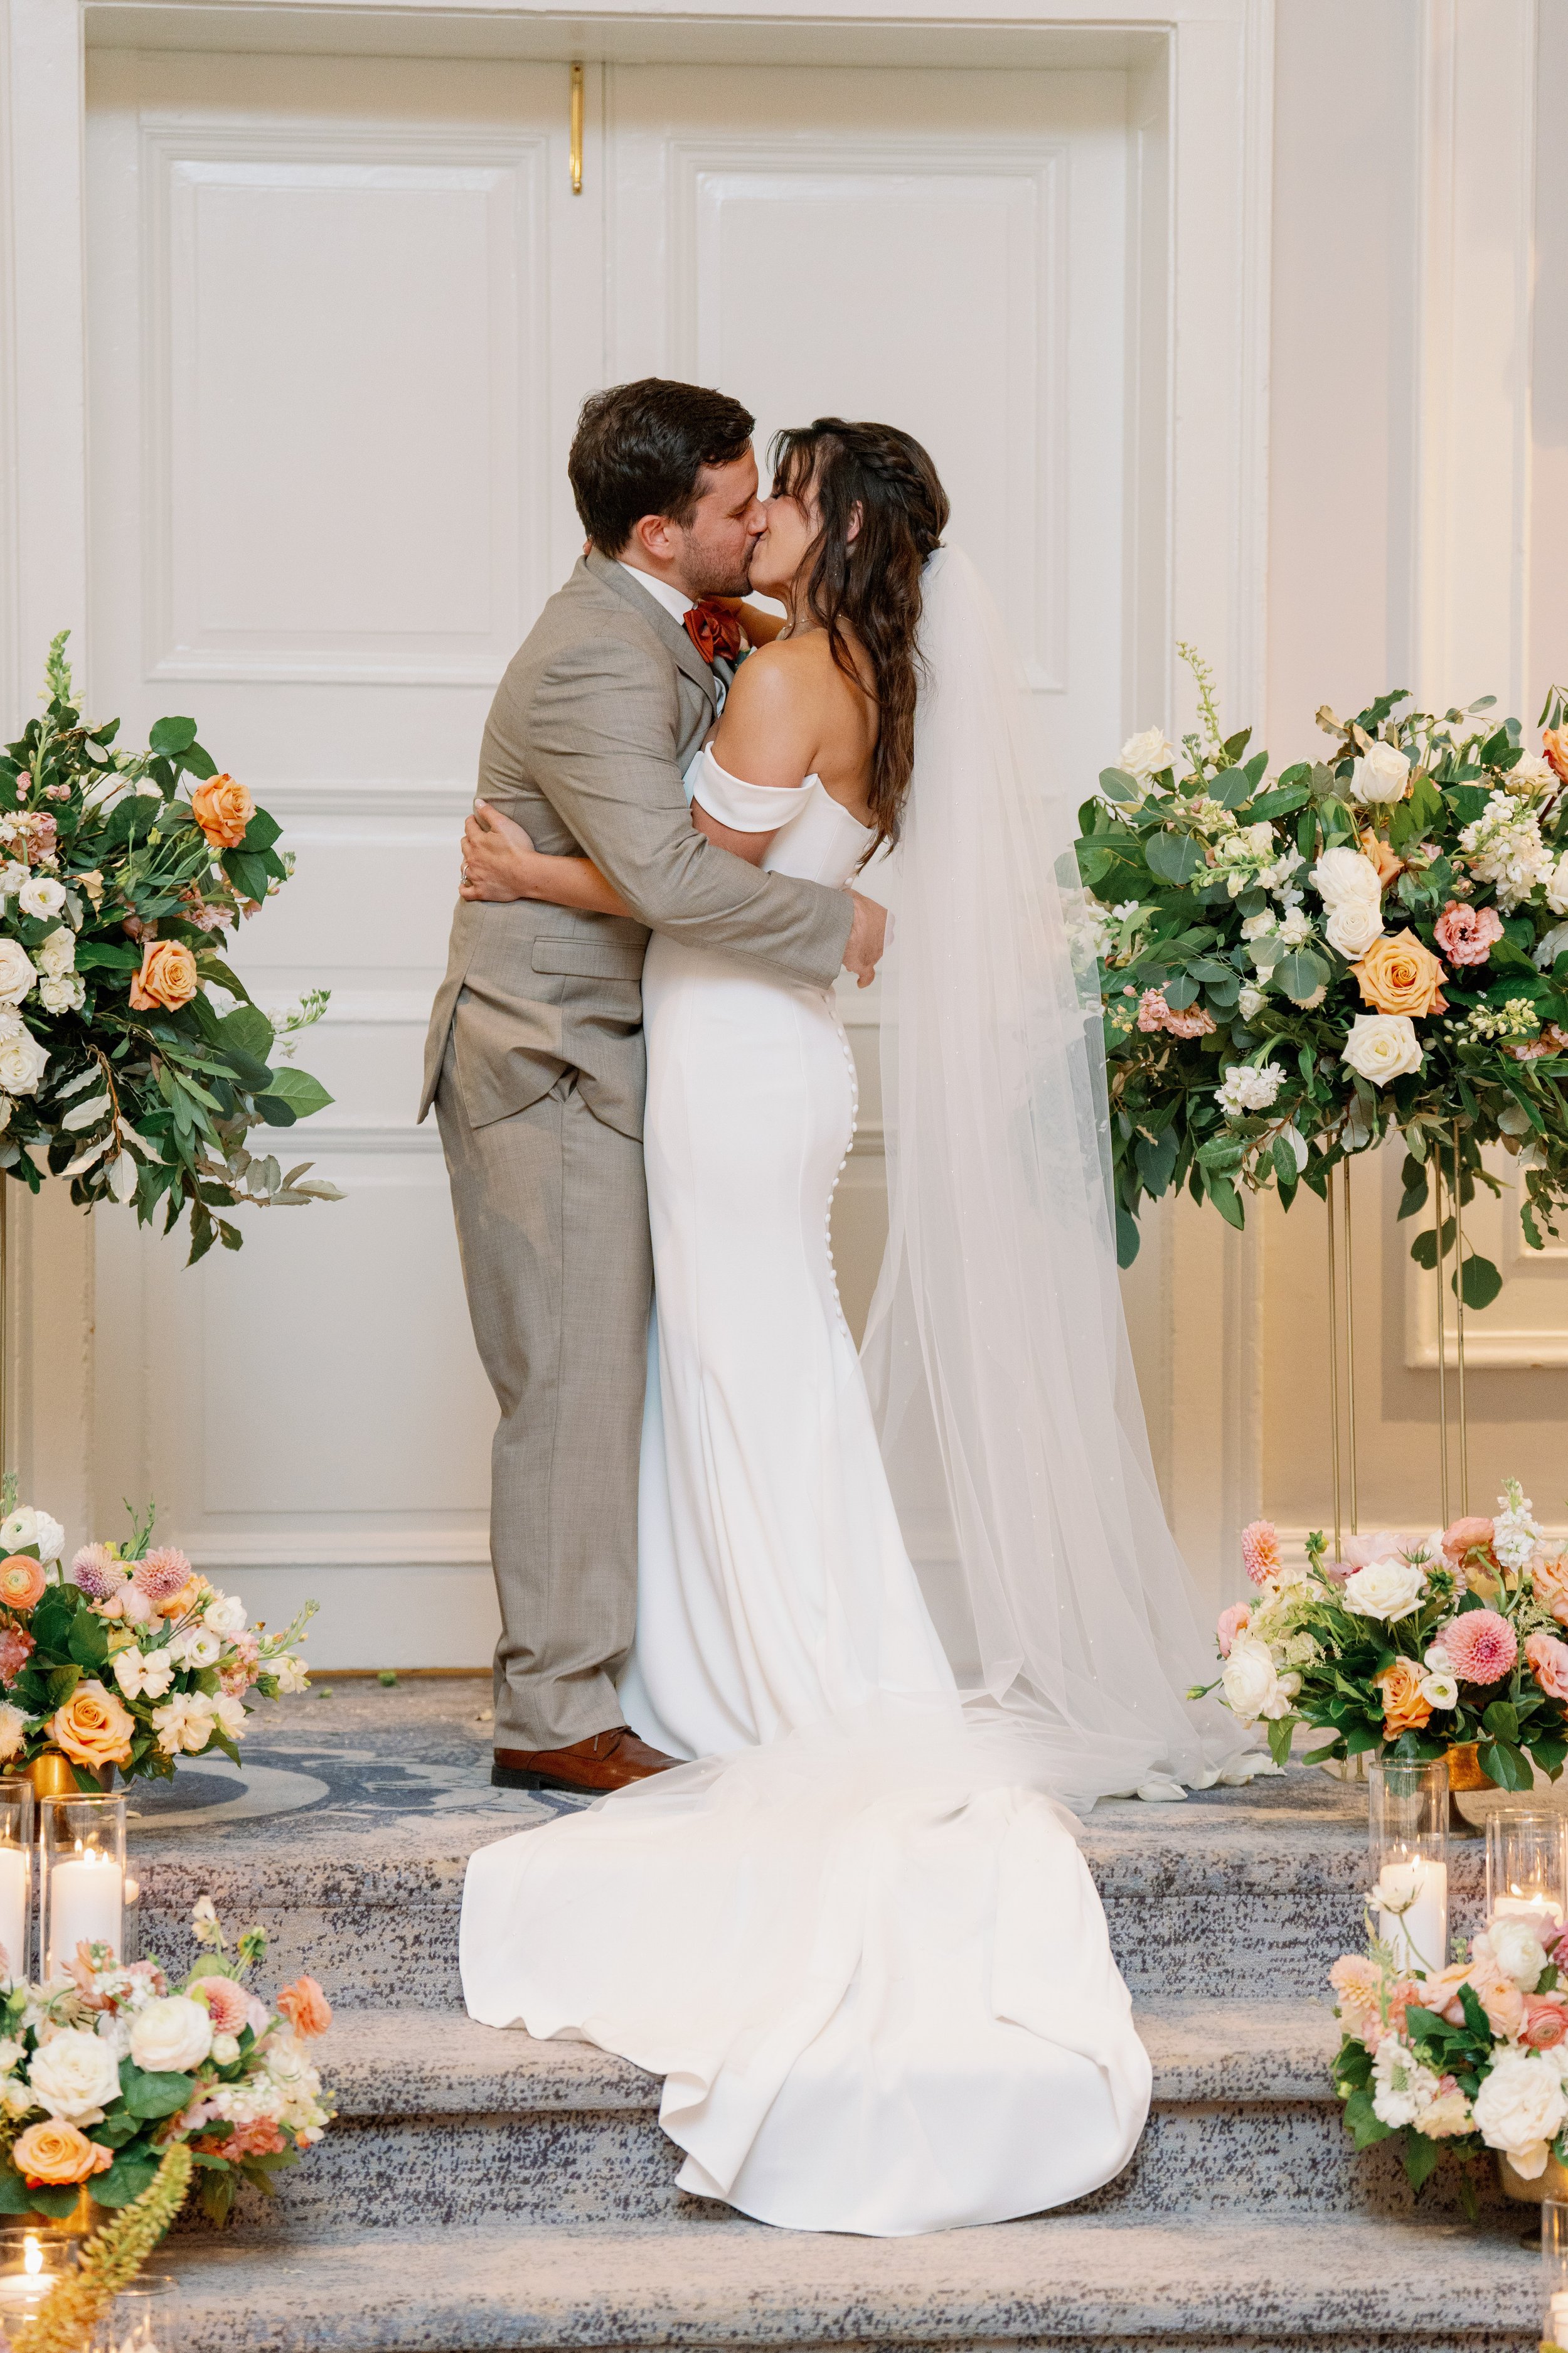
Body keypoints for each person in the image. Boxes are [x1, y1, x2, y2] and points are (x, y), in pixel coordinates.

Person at [457, 417, 1254, 2234]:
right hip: (779, 1067)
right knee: (762, 1361)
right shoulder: (858, 672)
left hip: (733, 1061)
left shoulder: (779, 676)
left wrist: (531, 878)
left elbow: (686, 887)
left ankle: (773, 1671)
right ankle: (748, 1647)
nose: (765, 517)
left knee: (745, 1362)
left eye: (787, 494)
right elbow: (790, 886)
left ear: (833, 528)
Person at [421, 381, 888, 1798]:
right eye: (733, 508)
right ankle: (553, 1715)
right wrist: (841, 930)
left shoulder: (688, 626)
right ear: (653, 527)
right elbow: (673, 876)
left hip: (622, 1050)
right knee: (565, 1386)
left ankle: (623, 1672)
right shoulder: (593, 657)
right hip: (549, 1055)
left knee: (612, 1379)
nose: (754, 525)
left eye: (765, 500)